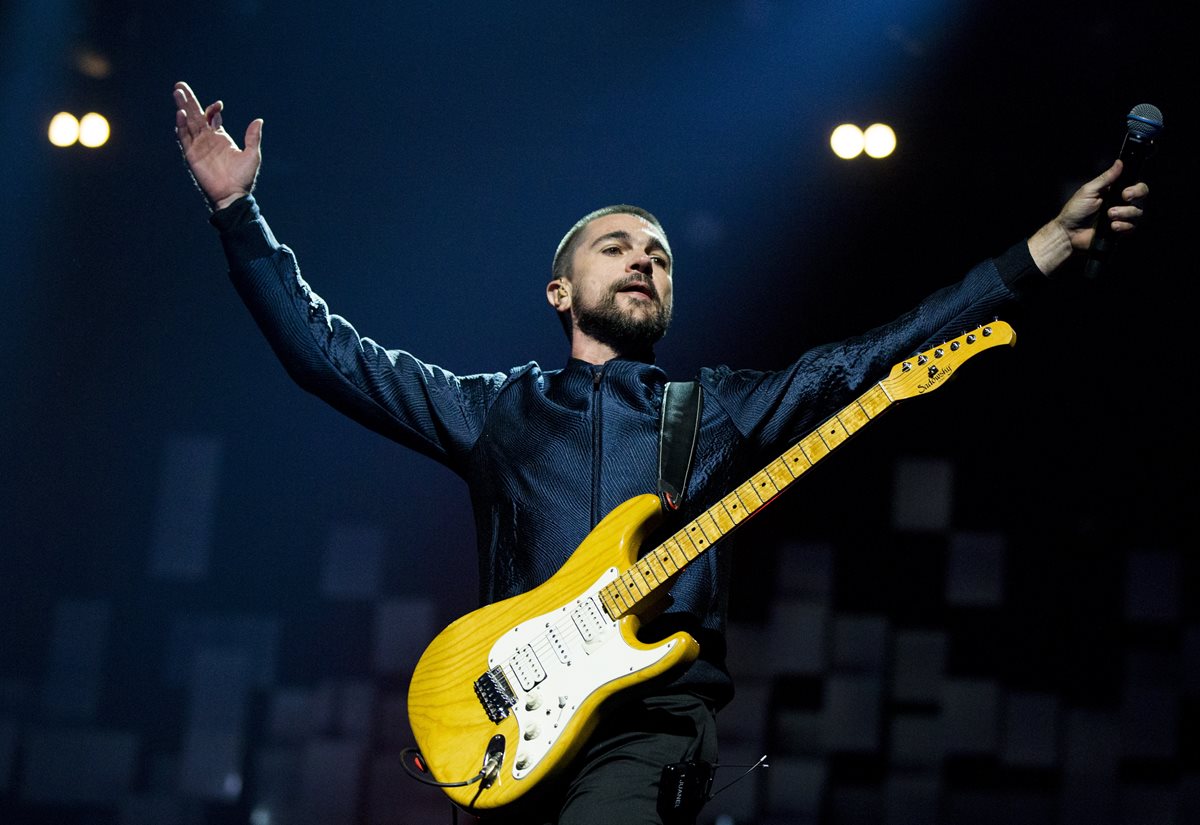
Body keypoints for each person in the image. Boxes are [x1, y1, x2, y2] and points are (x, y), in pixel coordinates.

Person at [172, 80, 1148, 824]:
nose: (644, 257)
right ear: (560, 291)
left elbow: (868, 360)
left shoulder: (714, 411)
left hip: (651, 725)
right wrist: (237, 216)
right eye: (617, 247)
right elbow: (329, 357)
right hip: (511, 720)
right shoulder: (495, 410)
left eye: (660, 256)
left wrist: (1036, 256)